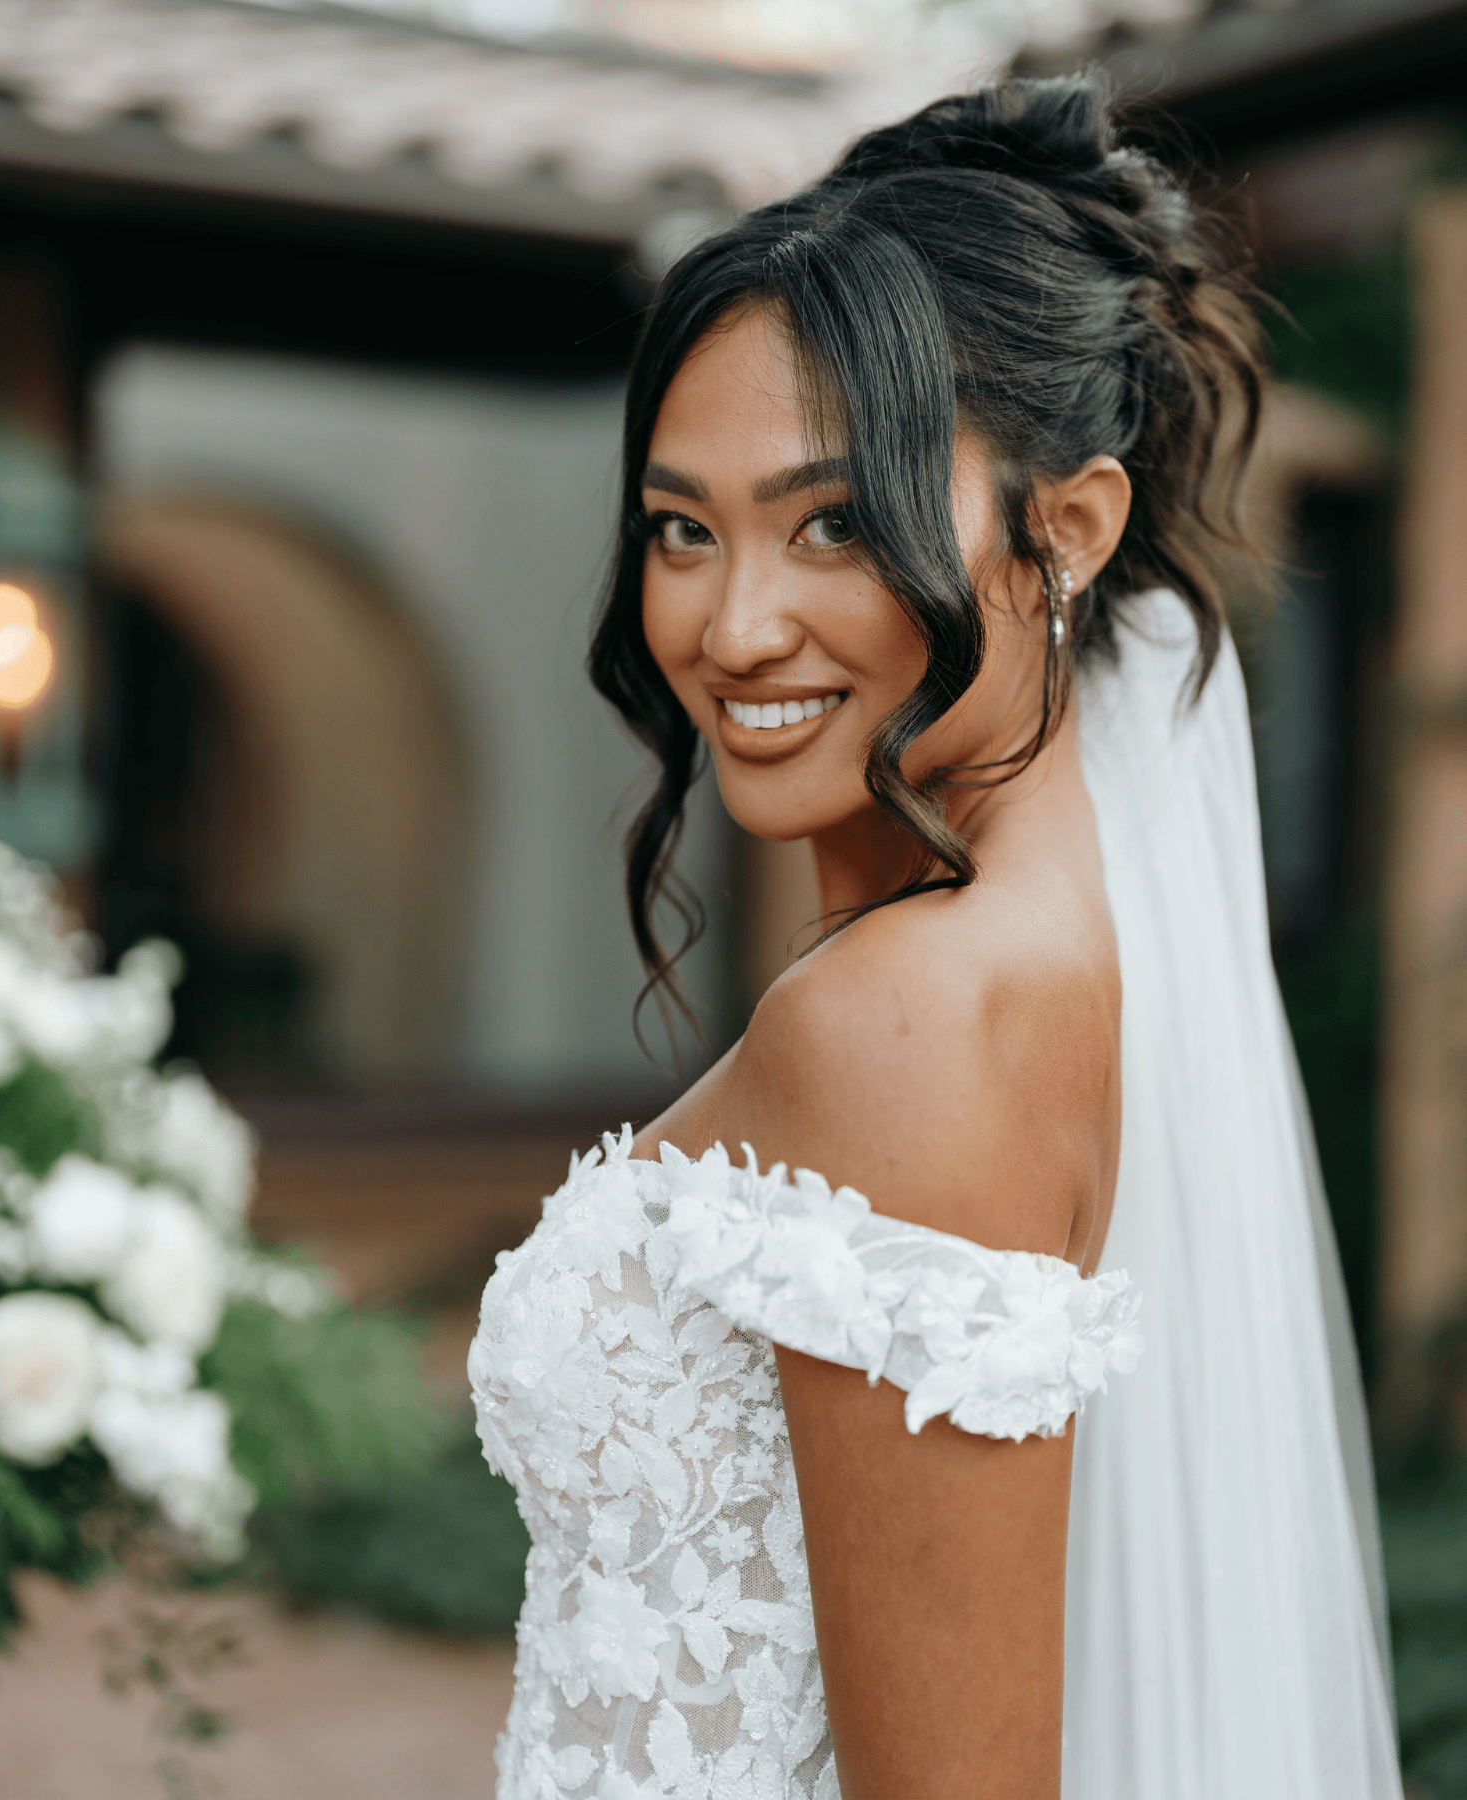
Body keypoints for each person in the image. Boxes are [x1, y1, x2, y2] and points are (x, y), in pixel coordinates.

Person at [468, 72, 1402, 1798]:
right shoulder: (1039, 953)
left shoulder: (910, 1020)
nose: (735, 625)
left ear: (1071, 528)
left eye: (834, 520)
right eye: (684, 528)